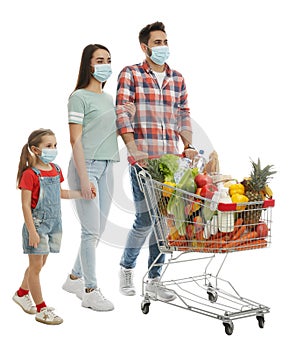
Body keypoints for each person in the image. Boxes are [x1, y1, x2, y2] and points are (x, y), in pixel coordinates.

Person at [116, 21, 198, 300]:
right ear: (145, 46)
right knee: (144, 220)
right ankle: (126, 268)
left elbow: (183, 115)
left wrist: (187, 145)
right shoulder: (131, 74)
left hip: (171, 162)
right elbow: (122, 114)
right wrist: (132, 147)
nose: (163, 46)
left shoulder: (177, 79)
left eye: (165, 41)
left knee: (163, 221)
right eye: (157, 42)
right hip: (144, 162)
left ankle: (154, 279)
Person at [61, 44, 135, 311]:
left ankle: (73, 278)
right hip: (86, 166)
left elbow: (106, 134)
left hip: (107, 165)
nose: (105, 64)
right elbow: (75, 138)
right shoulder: (78, 97)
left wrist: (126, 116)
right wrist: (83, 178)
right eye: (100, 60)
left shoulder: (107, 98)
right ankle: (90, 290)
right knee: (90, 231)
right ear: (88, 65)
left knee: (98, 229)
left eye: (109, 60)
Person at [13, 128, 90, 325]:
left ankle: (22, 293)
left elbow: (60, 193)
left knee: (39, 265)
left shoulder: (55, 169)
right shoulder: (29, 174)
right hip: (37, 225)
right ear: (35, 150)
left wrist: (82, 193)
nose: (53, 149)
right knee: (36, 267)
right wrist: (32, 231)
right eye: (48, 146)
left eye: (55, 145)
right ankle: (41, 308)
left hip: (54, 224)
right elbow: (24, 205)